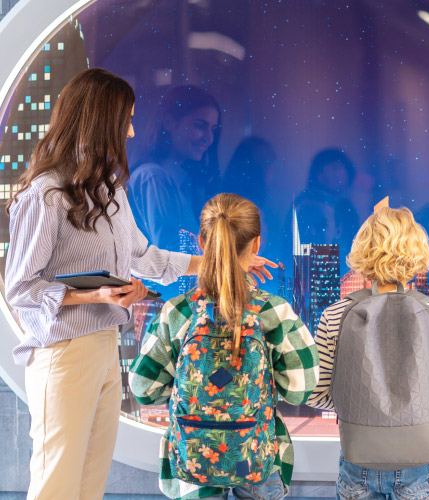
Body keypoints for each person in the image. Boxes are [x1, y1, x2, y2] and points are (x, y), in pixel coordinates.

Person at [4, 68, 271, 500]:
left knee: (90, 482)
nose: (130, 131)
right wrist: (94, 294)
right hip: (63, 353)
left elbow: (144, 258)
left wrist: (223, 261)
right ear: (99, 121)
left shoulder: (111, 193)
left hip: (106, 346)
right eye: (125, 119)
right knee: (56, 483)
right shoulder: (46, 195)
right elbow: (19, 289)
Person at [130, 193, 319, 500]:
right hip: (258, 455)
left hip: (191, 457)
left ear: (203, 243)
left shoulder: (178, 312)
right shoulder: (274, 311)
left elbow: (143, 389)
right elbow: (301, 388)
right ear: (256, 245)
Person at [307, 206, 429, 500]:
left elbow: (315, 395)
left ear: (363, 253)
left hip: (357, 461)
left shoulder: (335, 314)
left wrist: (359, 403)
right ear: (416, 253)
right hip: (417, 463)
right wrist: (420, 403)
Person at [128, 85, 222, 252]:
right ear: (169, 123)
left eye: (213, 129)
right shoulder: (153, 176)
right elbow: (172, 251)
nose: (208, 138)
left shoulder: (181, 181)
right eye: (200, 125)